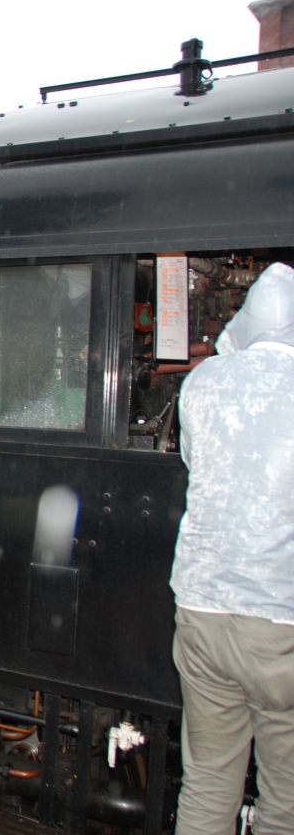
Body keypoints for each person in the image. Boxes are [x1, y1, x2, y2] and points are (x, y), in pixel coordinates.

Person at [171, 262, 294, 834]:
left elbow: (195, 461)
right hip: (281, 620)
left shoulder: (204, 382)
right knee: (285, 799)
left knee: (206, 782)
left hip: (202, 608)